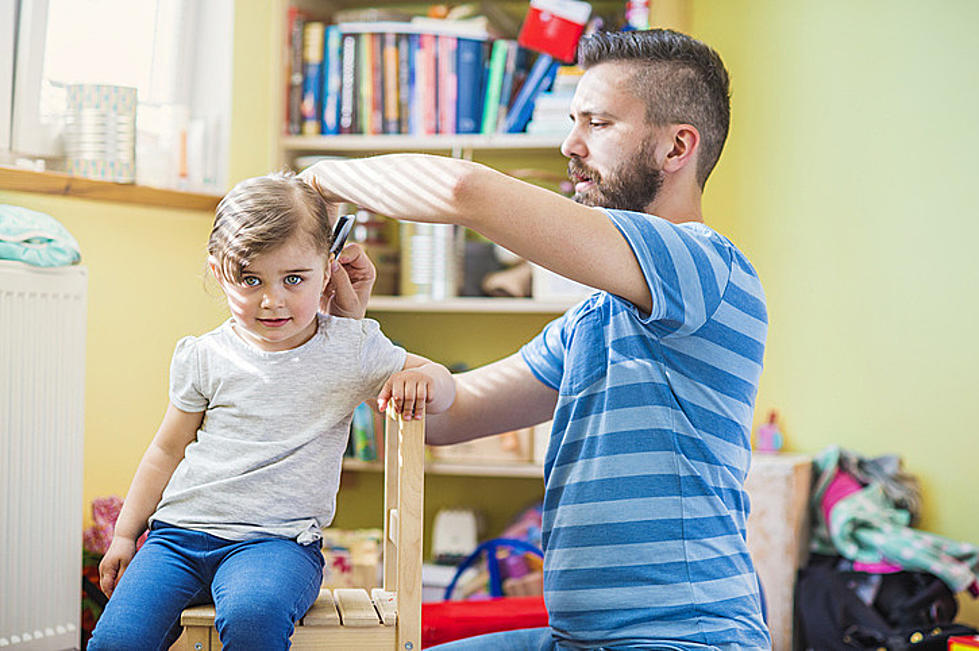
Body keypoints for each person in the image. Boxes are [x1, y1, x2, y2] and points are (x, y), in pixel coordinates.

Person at [301, 27, 770, 650]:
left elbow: (466, 191)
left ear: (677, 146)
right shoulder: (595, 321)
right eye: (573, 121)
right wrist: (347, 333)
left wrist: (313, 184)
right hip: (574, 638)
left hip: (685, 638)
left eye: (598, 124)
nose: (570, 145)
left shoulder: (706, 265)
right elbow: (448, 415)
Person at [87, 172, 455, 650]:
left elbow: (445, 384)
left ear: (328, 268)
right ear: (220, 272)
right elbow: (167, 448)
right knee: (116, 639)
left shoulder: (352, 347)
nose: (272, 300)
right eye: (251, 279)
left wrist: (423, 379)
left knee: (253, 617)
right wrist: (123, 535)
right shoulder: (204, 354)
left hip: (277, 545)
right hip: (176, 538)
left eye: (294, 278)